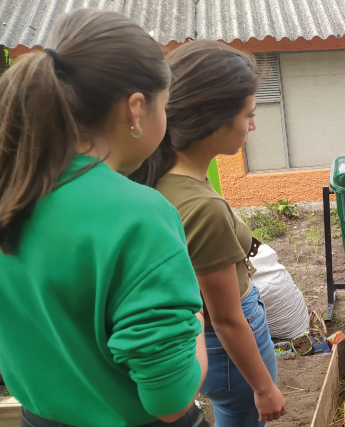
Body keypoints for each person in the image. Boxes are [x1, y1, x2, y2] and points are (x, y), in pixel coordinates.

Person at [0, 9, 208, 427]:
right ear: (135, 109)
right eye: (164, 105)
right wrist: (196, 322)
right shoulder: (140, 215)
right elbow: (169, 400)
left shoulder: (13, 190)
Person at [130, 41, 286, 426]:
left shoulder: (157, 177)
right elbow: (228, 317)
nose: (253, 124)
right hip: (226, 343)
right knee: (242, 417)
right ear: (215, 121)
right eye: (248, 114)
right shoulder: (201, 207)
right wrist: (264, 388)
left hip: (206, 342)